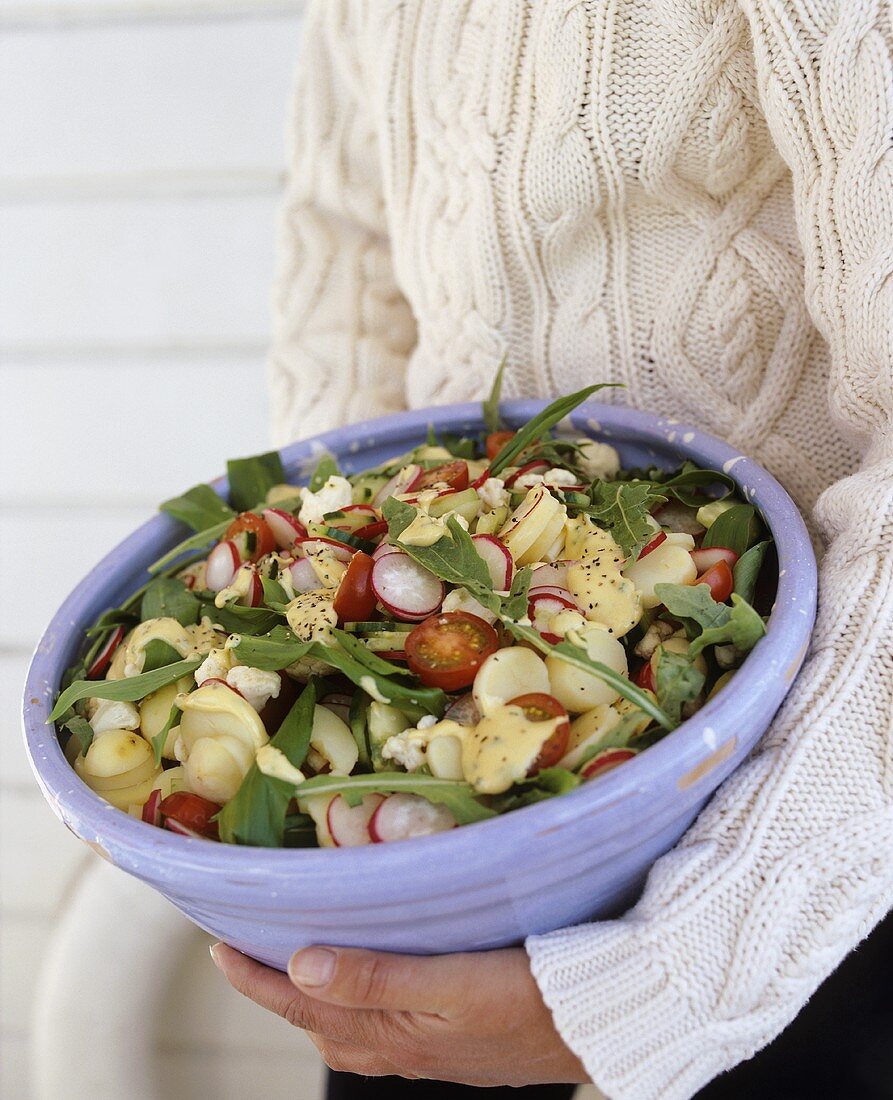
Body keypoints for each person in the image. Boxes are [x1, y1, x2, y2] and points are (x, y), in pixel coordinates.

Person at [211, 2, 893, 1097]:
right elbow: (344, 276)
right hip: (430, 799)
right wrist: (306, 660)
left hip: (810, 826)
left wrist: (669, 977)